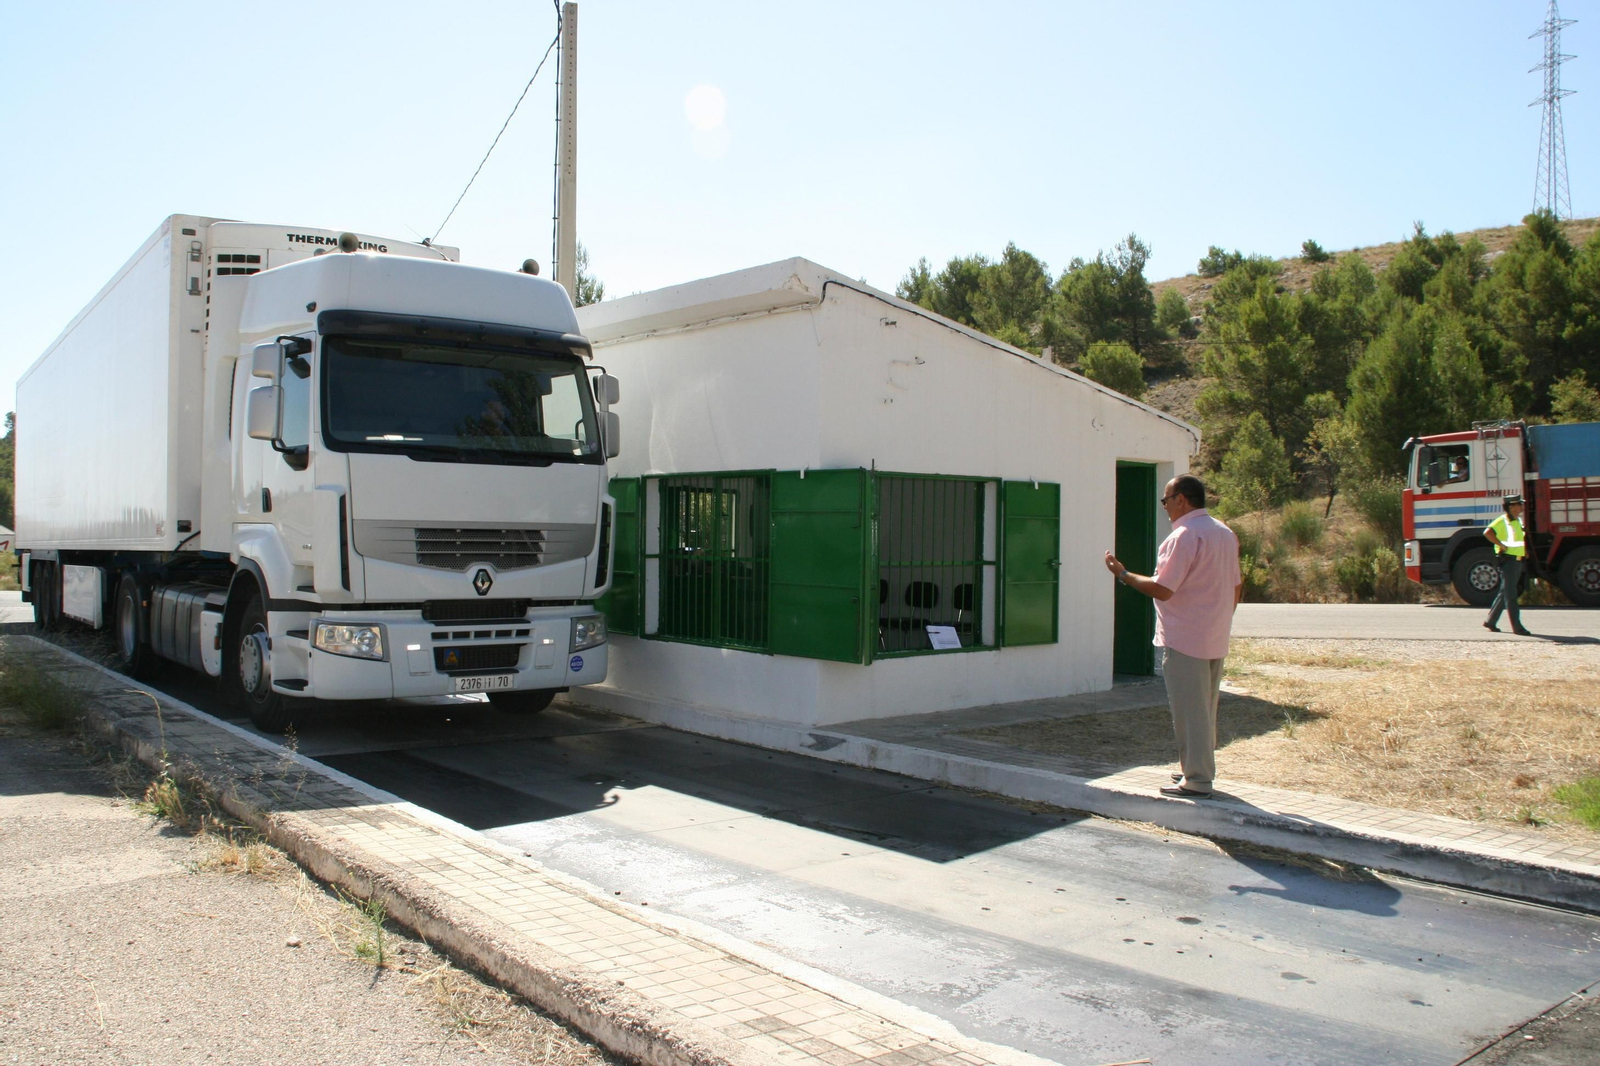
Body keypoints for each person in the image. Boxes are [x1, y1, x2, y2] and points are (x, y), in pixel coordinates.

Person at [1103, 475, 1242, 798]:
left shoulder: (1183, 536)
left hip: (1185, 637)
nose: (1164, 507)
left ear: (1181, 499)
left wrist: (1122, 574)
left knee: (1189, 710)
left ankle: (1196, 778)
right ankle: (1192, 767)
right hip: (1214, 634)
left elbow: (1163, 588)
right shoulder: (1224, 533)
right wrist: (1220, 619)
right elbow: (1236, 585)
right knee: (1204, 708)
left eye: (1166, 500)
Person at [1483, 494, 1532, 636]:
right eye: (1519, 504)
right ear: (1511, 507)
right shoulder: (1503, 521)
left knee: (1505, 592)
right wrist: (1500, 545)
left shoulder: (1517, 520)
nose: (1522, 506)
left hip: (1516, 560)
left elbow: (1518, 539)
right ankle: (1517, 627)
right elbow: (1487, 532)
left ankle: (1491, 621)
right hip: (1508, 561)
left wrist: (1524, 551)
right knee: (1511, 595)